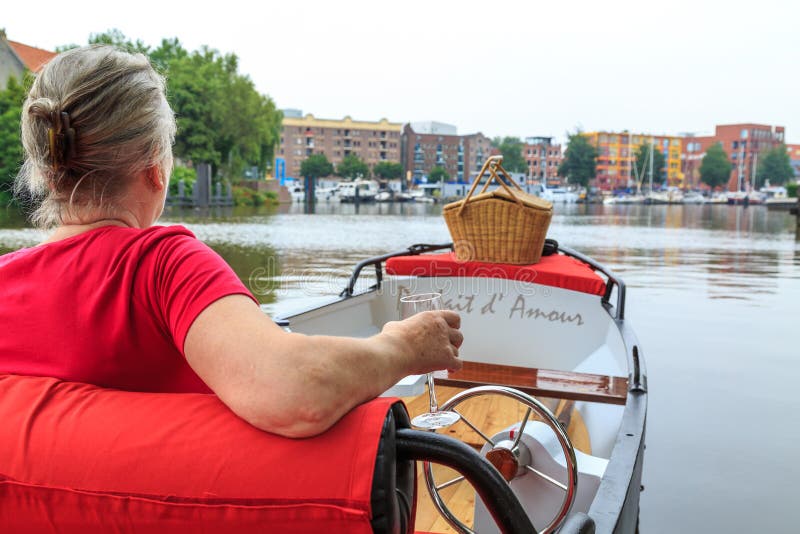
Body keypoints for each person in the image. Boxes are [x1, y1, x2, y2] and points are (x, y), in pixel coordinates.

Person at [0, 45, 462, 438]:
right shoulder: (161, 267)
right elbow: (296, 391)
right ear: (155, 171)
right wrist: (403, 346)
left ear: (45, 171)